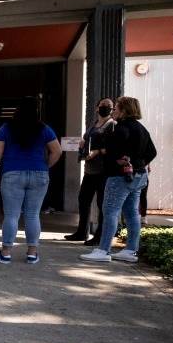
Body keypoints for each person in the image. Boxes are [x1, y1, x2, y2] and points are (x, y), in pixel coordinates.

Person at [80, 97, 156, 263]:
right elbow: (152, 152)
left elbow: (112, 151)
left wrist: (118, 160)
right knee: (132, 213)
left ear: (124, 110)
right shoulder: (141, 129)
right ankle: (130, 250)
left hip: (119, 176)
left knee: (110, 212)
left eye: (116, 109)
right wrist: (138, 162)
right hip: (139, 175)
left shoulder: (121, 129)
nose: (113, 111)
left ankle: (103, 250)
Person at [0, 98, 62, 264]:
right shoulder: (44, 129)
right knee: (33, 215)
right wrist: (45, 166)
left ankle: (5, 253)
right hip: (39, 174)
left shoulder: (6, 128)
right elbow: (57, 151)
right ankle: (32, 253)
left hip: (12, 174)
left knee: (11, 215)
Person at [64, 98, 116, 245]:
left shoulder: (112, 125)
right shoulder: (94, 124)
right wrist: (83, 144)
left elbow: (112, 148)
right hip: (90, 169)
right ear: (96, 107)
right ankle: (82, 232)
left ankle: (99, 236)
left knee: (101, 204)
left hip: (103, 171)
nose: (105, 107)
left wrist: (97, 152)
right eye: (103, 105)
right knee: (83, 200)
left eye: (109, 106)